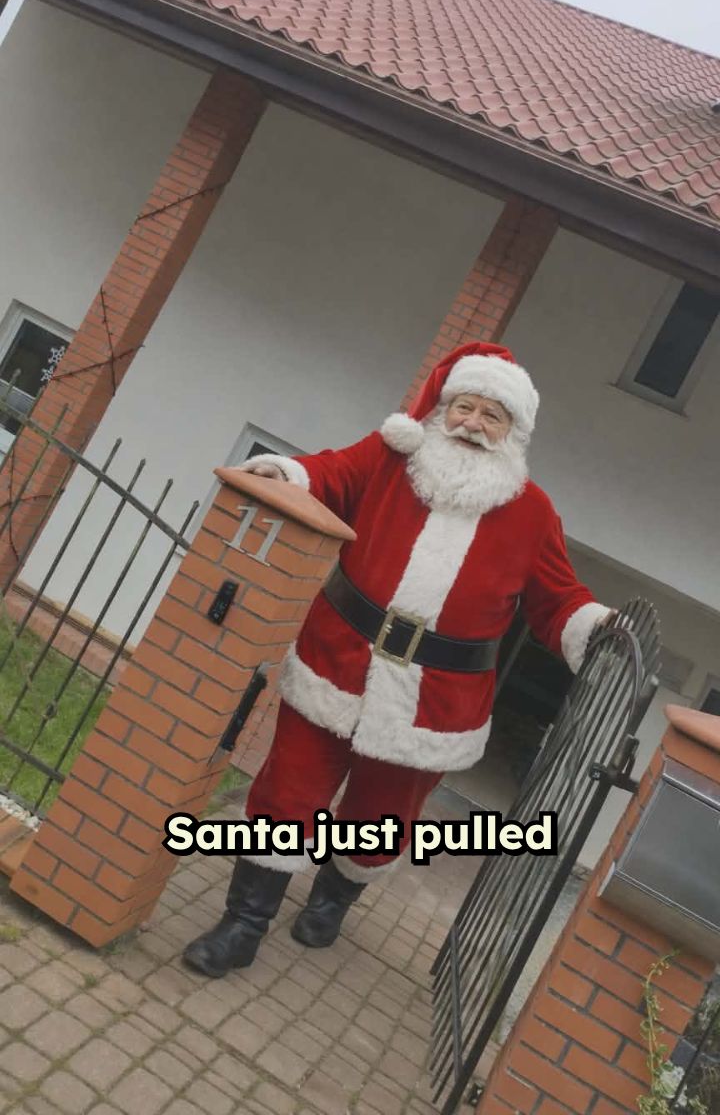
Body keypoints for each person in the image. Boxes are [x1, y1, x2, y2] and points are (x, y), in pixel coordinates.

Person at [182, 341, 612, 978]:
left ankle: (333, 898)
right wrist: (286, 474)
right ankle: (243, 924)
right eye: (464, 407)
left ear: (515, 432)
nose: (472, 424)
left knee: (380, 820)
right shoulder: (390, 459)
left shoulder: (533, 512)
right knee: (287, 793)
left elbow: (559, 598)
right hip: (337, 662)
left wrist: (595, 628)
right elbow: (328, 473)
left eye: (492, 415)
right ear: (443, 410)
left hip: (436, 704)